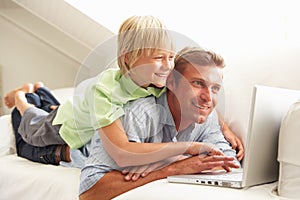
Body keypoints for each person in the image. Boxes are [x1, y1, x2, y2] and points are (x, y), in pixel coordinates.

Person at [4, 15, 243, 167]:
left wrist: (224, 127)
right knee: (31, 127)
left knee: (55, 105)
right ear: (129, 58)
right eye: (159, 58)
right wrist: (184, 151)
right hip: (66, 125)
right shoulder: (106, 92)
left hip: (85, 113)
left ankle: (40, 90)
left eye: (170, 57)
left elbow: (199, 97)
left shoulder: (162, 77)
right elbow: (121, 149)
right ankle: (22, 96)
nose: (168, 65)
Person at [79, 47, 241, 200]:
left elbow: (231, 165)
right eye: (198, 83)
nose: (208, 98)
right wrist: (173, 169)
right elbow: (89, 191)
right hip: (72, 139)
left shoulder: (208, 117)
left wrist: (172, 160)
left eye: (215, 88)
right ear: (171, 82)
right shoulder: (139, 113)